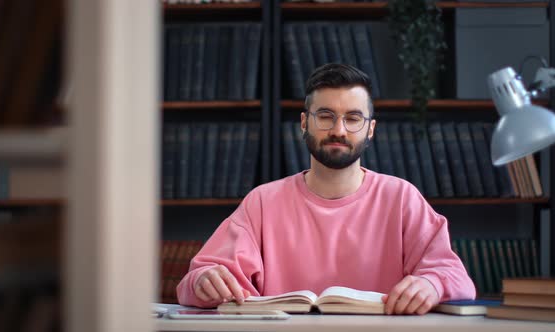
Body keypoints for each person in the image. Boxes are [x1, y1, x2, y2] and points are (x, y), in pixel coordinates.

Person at [177, 63, 476, 315]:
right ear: (305, 123)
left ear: (370, 129)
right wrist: (205, 282)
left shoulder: (402, 198)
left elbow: (457, 279)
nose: (339, 130)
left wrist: (432, 284)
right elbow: (192, 284)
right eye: (325, 116)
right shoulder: (262, 202)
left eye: (353, 118)